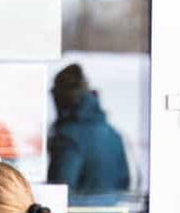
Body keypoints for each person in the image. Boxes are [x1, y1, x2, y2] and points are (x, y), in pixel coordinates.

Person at [47, 63, 130, 194]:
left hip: (78, 207)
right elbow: (124, 183)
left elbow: (59, 192)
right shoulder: (114, 134)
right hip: (113, 207)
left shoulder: (67, 138)